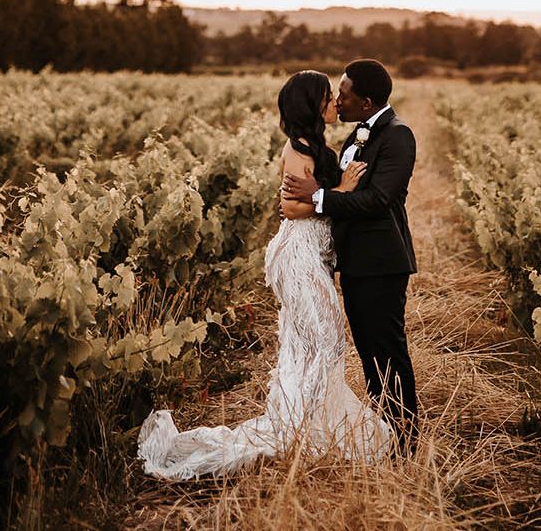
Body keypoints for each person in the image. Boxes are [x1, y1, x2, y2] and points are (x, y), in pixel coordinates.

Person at [136, 70, 391, 480]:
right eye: (327, 96)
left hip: (312, 256)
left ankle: (307, 423)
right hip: (299, 255)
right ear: (312, 104)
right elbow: (290, 208)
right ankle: (301, 428)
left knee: (314, 343)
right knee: (326, 341)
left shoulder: (315, 146)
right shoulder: (298, 148)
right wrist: (341, 190)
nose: (333, 102)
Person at [280, 58, 418, 452]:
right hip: (355, 263)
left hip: (380, 264)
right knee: (370, 355)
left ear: (367, 102)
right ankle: (384, 435)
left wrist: (319, 196)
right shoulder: (357, 134)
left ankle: (405, 439)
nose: (337, 101)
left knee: (388, 352)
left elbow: (377, 200)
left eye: (343, 94)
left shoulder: (397, 136)